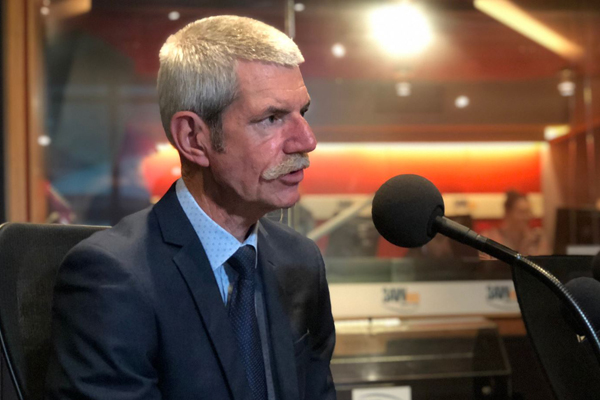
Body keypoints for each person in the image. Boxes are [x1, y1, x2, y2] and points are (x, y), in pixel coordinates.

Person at [45, 15, 336, 400]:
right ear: (193, 138)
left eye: (303, 113)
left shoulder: (301, 261)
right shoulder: (112, 277)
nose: (307, 140)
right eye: (271, 118)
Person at [481, 190, 550, 257]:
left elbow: (543, 262)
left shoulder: (537, 239)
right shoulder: (490, 238)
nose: (526, 217)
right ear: (508, 213)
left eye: (528, 212)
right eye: (522, 212)